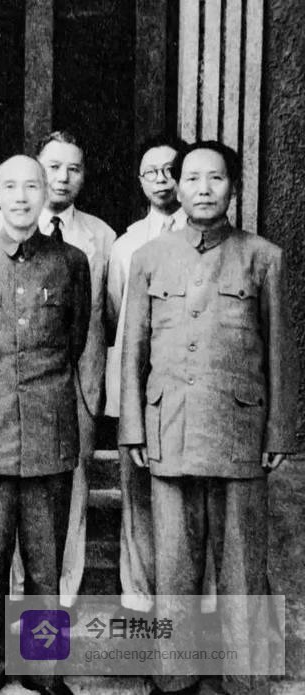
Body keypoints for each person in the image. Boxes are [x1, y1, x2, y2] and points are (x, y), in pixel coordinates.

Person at [119, 141, 299, 695]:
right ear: (177, 187)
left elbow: (282, 351)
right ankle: (174, 676)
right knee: (174, 564)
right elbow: (133, 351)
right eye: (192, 178)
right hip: (169, 430)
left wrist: (279, 431)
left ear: (233, 188)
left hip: (239, 433)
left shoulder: (263, 257)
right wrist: (133, 427)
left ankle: (246, 679)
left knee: (243, 565)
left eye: (215, 178)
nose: (202, 188)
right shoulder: (149, 257)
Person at [0, 154, 95, 695]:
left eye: (32, 185)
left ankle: (42, 669)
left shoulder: (72, 262)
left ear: (46, 192)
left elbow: (75, 341)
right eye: (11, 186)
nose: (22, 196)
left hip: (49, 433)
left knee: (45, 563)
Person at [0, 131, 114, 606]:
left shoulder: (100, 237)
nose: (62, 177)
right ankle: (19, 596)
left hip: (74, 383)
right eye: (52, 167)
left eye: (72, 168)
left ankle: (63, 593)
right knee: (11, 500)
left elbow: (102, 315)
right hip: (11, 390)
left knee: (68, 495)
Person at [106, 134, 194, 615]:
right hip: (139, 388)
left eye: (170, 170)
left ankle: (187, 601)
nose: (161, 181)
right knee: (136, 493)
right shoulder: (126, 245)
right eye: (150, 172)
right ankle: (138, 592)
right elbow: (120, 316)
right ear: (139, 181)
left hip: (190, 388)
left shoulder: (210, 239)